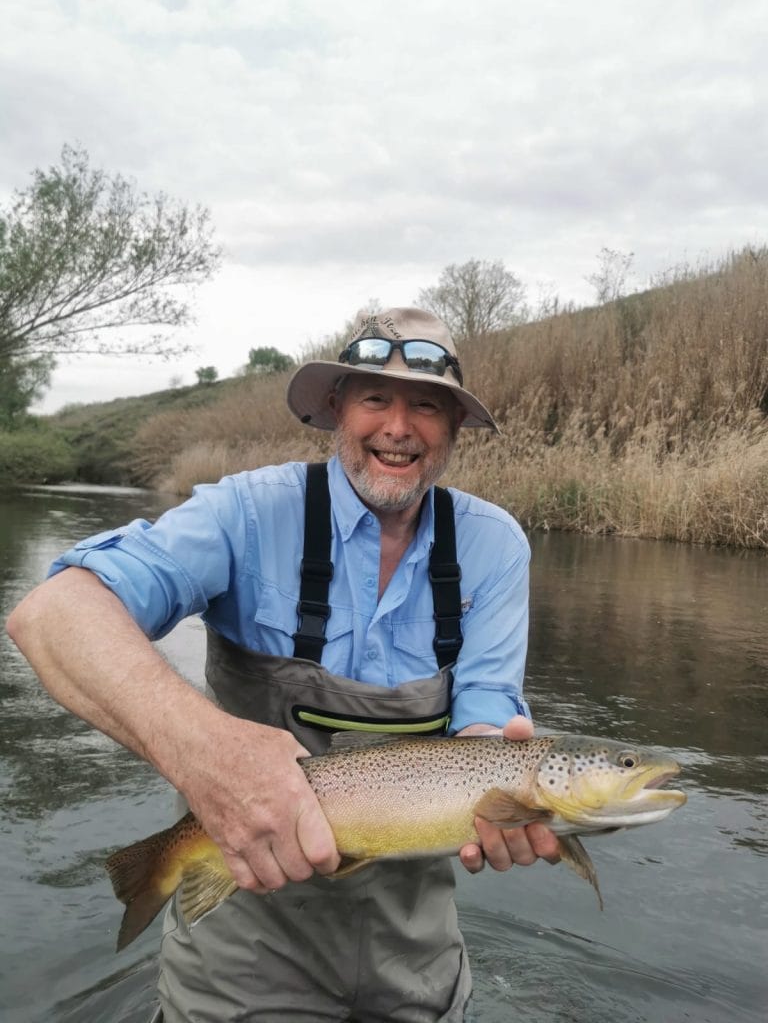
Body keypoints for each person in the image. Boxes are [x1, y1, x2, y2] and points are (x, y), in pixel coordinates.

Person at [6, 306, 559, 1023]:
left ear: (453, 428)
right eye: (374, 399)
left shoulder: (495, 547)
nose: (398, 426)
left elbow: (486, 713)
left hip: (416, 955)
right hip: (242, 952)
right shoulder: (244, 513)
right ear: (336, 409)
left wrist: (500, 781)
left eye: (426, 405)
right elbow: (49, 615)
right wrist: (207, 752)